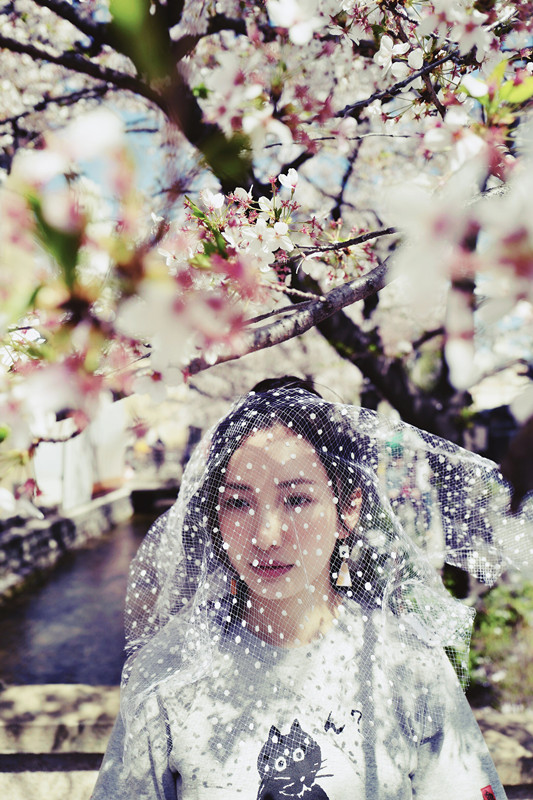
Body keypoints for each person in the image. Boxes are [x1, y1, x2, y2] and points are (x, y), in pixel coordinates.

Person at [92, 376, 530, 800]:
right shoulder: (170, 670)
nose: (266, 535)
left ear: (349, 508)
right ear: (215, 515)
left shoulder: (408, 664)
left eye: (297, 499)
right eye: (238, 502)